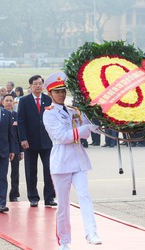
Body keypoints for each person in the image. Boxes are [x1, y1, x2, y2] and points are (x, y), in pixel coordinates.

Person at [42, 72, 102, 250]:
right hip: (61, 161)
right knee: (63, 204)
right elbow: (62, 136)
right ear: (50, 94)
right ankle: (65, 240)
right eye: (57, 91)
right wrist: (86, 129)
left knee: (85, 196)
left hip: (78, 160)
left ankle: (91, 232)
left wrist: (104, 119)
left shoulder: (74, 111)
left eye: (63, 91)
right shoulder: (49, 114)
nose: (61, 94)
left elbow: (93, 125)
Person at [17, 75, 56, 207]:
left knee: (49, 170)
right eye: (35, 84)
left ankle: (49, 197)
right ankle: (33, 197)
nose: (38, 86)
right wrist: (23, 139)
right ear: (30, 86)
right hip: (30, 142)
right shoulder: (24, 101)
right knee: (31, 171)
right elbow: (21, 121)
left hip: (47, 141)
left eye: (40, 83)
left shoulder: (49, 99)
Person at [3, 94, 24, 202]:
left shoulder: (16, 115)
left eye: (11, 100)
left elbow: (20, 134)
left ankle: (14, 194)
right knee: (2, 172)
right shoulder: (0, 115)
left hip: (15, 148)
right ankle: (0, 193)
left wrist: (21, 151)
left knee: (15, 173)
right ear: (3, 102)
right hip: (3, 148)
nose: (9, 102)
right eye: (6, 100)